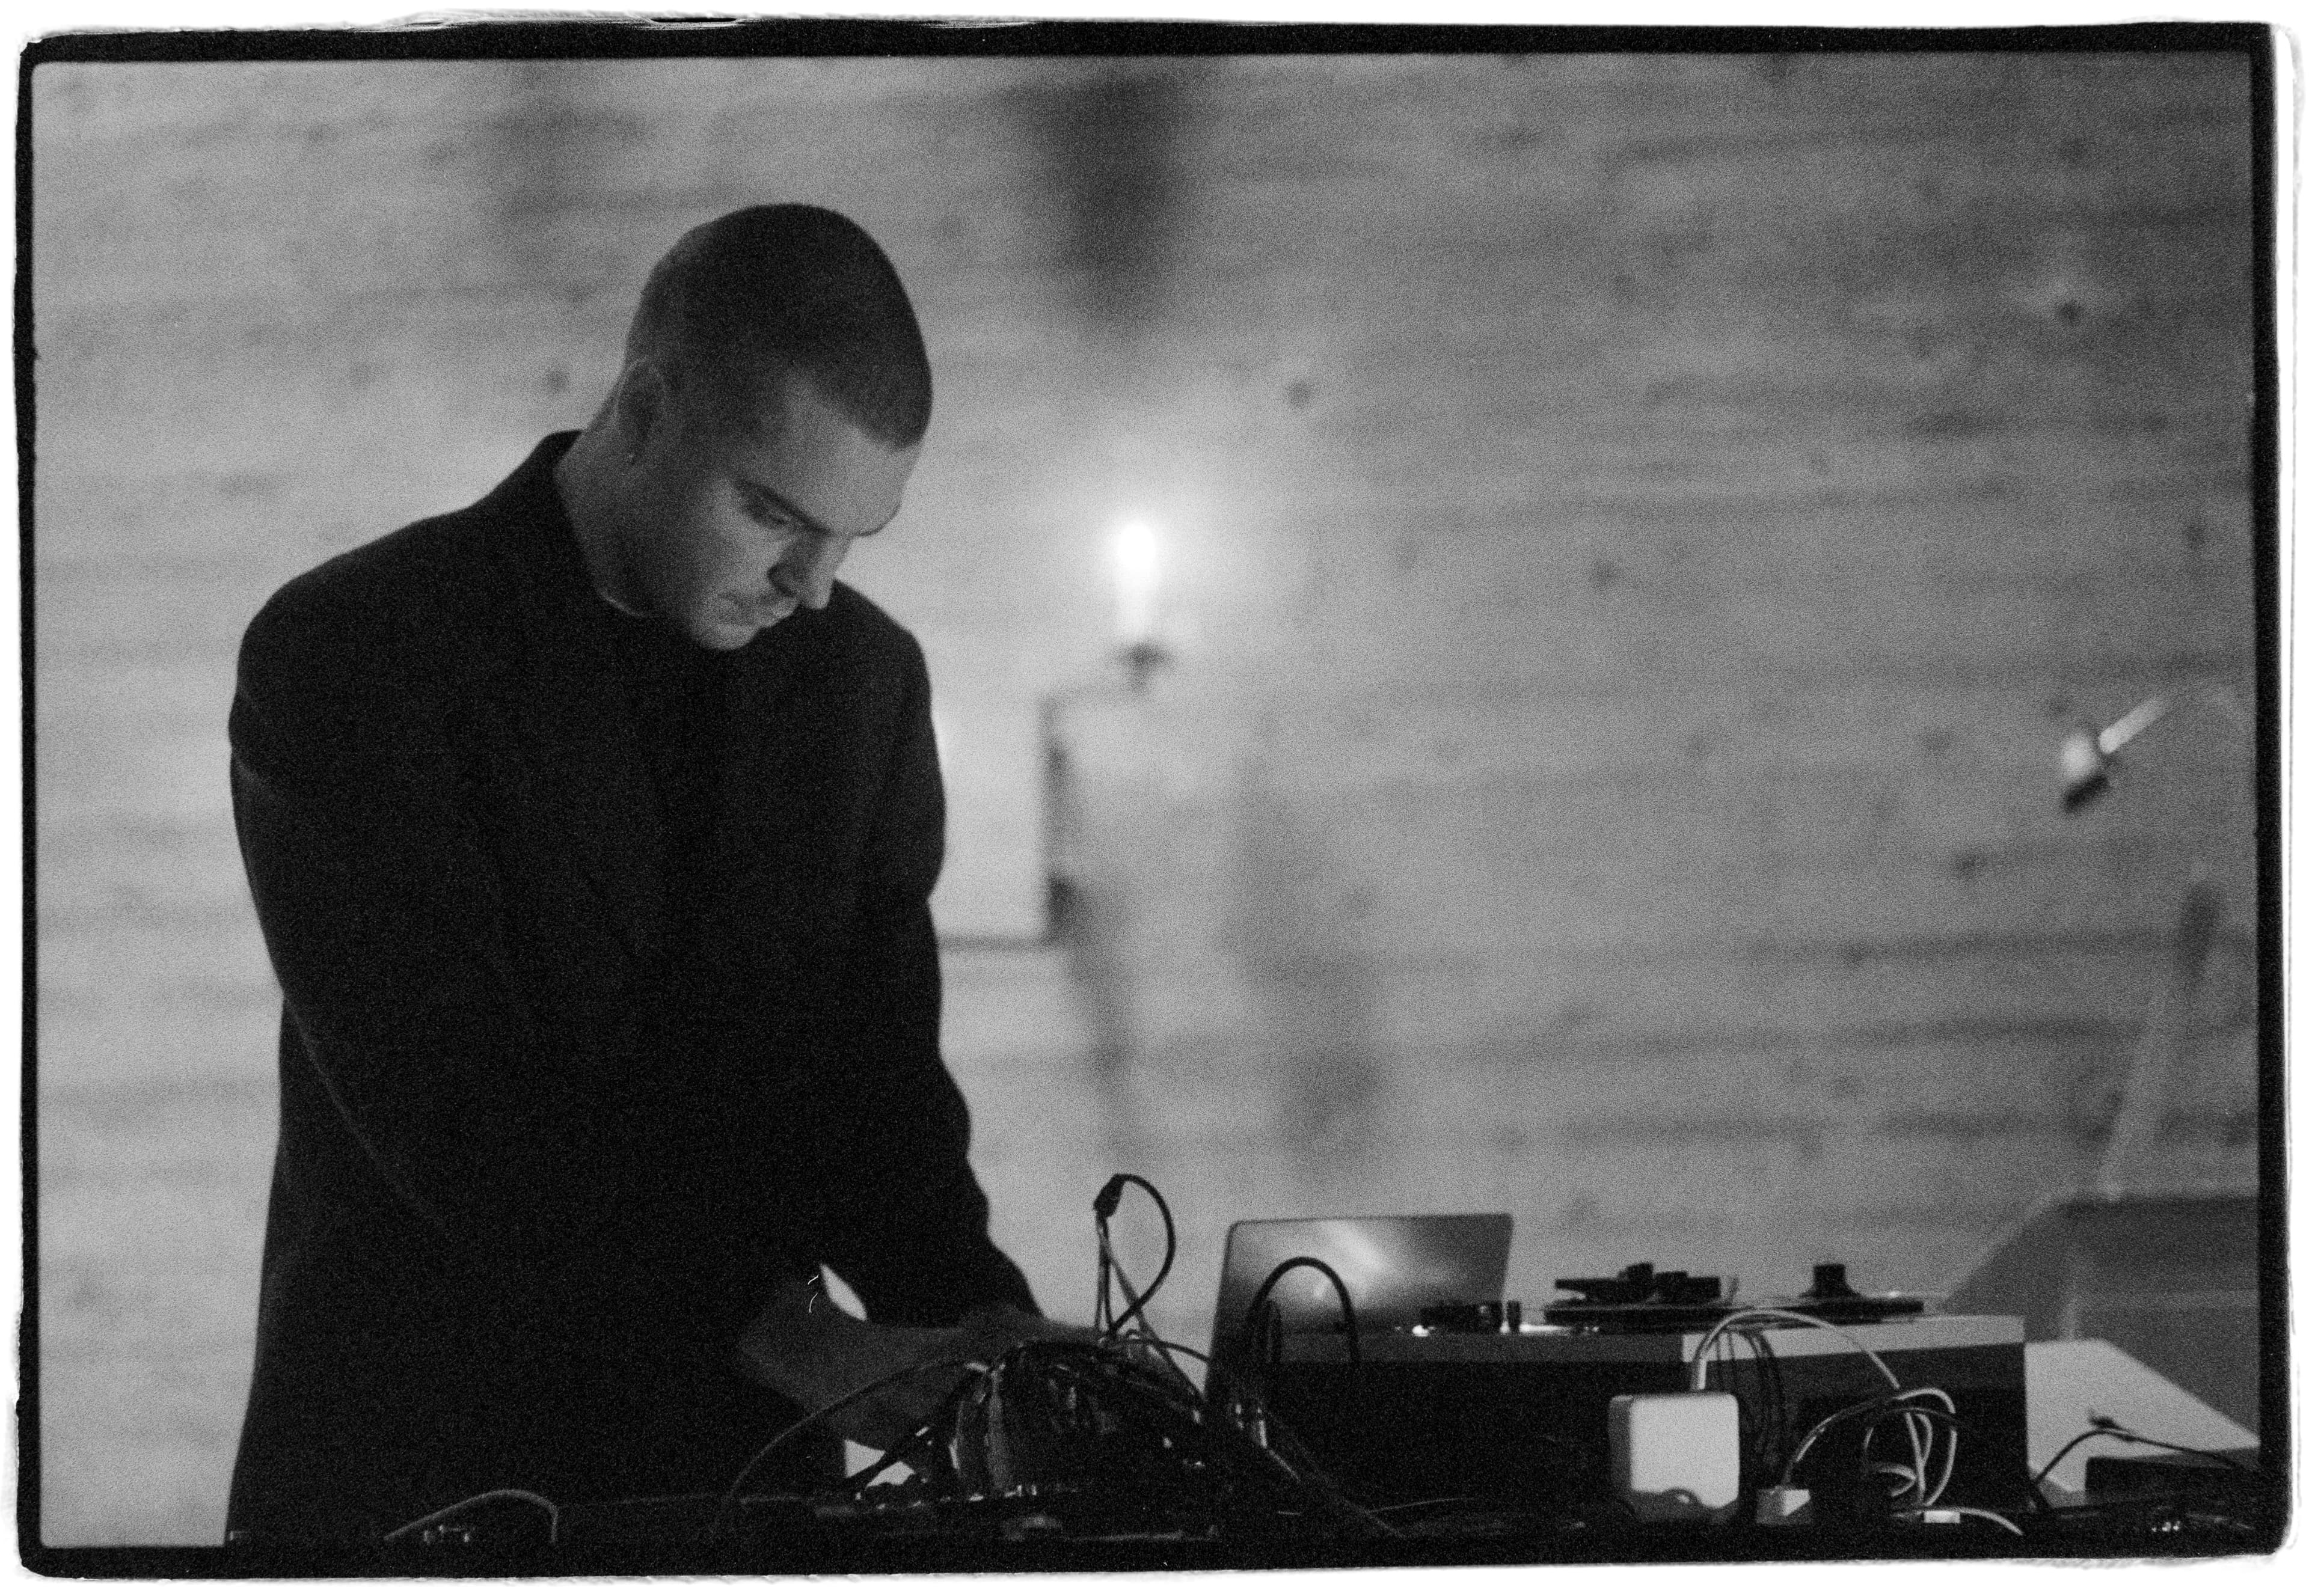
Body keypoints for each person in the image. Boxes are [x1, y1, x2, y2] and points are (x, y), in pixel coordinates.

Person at [224, 204, 1057, 1541]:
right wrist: (815, 1350)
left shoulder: (865, 682)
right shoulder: (355, 648)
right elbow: (461, 1112)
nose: (815, 584)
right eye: (774, 513)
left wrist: (1005, 1342)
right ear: (648, 406)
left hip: (745, 1499)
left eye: (859, 535)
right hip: (422, 1488)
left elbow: (879, 1092)